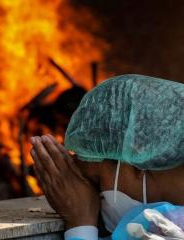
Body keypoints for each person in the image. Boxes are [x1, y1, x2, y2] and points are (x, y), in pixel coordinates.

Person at [30, 74, 184, 239]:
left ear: (138, 160)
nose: (88, 195)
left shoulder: (168, 228)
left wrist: (80, 224)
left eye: (96, 182)